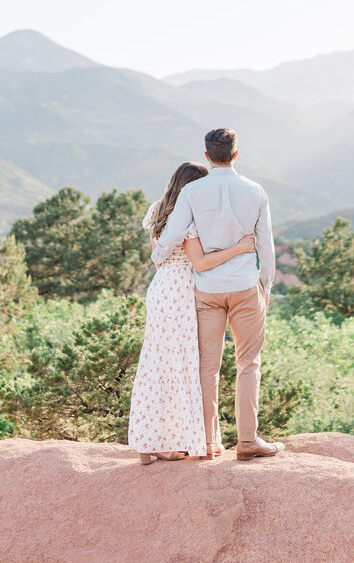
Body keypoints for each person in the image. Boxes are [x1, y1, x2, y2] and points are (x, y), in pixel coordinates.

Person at [151, 128, 282, 461]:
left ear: (207, 156)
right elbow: (265, 246)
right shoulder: (256, 191)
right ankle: (248, 441)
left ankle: (207, 443)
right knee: (248, 364)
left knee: (207, 367)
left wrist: (157, 256)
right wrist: (265, 286)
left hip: (207, 289)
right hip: (243, 286)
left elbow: (173, 234)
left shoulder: (192, 192)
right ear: (236, 155)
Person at [127, 161, 256, 464]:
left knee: (157, 364)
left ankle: (150, 442)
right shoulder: (188, 218)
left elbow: (158, 257)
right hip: (183, 291)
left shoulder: (158, 210)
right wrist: (239, 249)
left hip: (160, 287)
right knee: (183, 366)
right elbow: (199, 262)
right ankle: (170, 441)